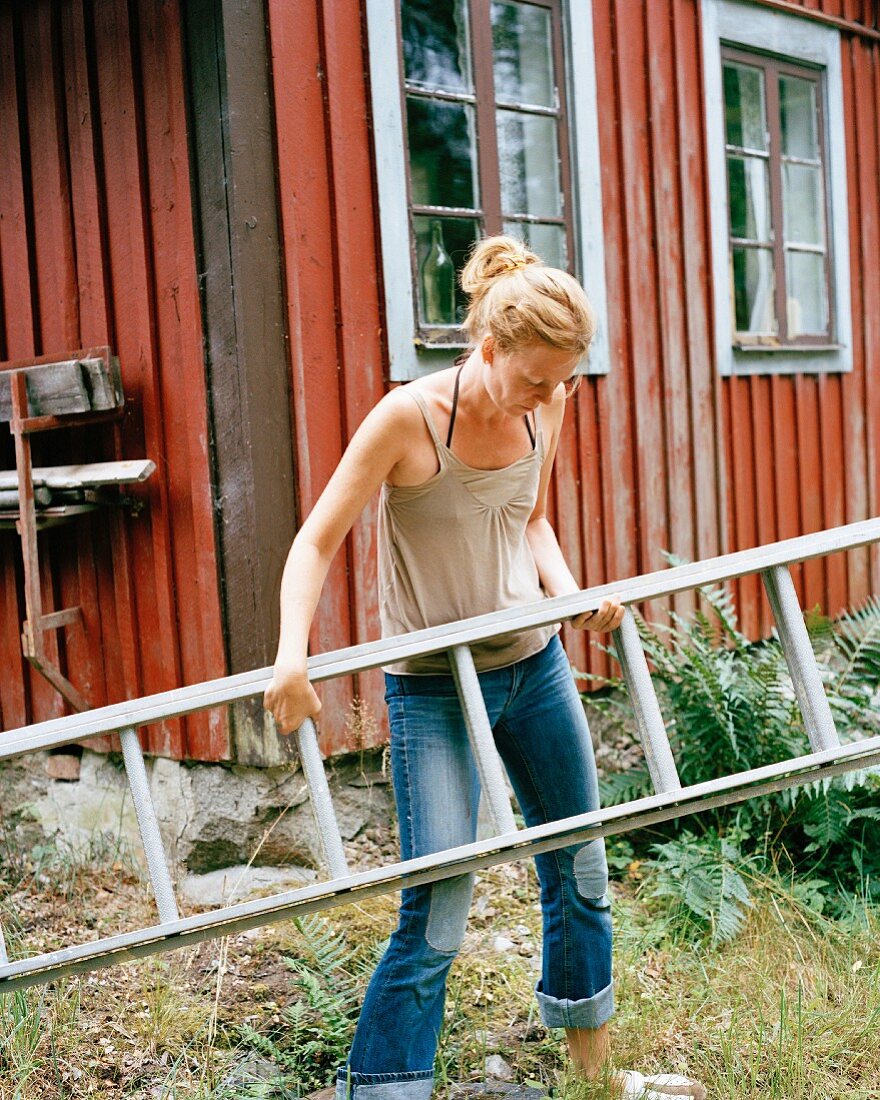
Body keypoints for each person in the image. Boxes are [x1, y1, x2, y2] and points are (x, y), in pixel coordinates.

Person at [264, 236, 706, 1100]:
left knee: (579, 867)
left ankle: (594, 1080)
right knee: (438, 906)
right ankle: (388, 1089)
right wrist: (290, 658)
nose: (551, 396)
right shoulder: (408, 419)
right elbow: (315, 541)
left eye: (563, 379)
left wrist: (574, 595)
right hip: (433, 687)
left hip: (533, 667)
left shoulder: (549, 404)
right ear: (490, 347)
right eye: (537, 377)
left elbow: (531, 520)